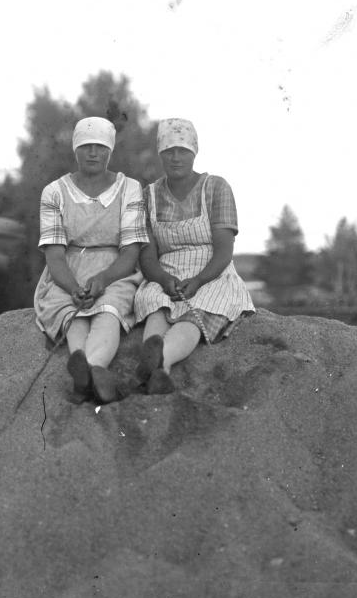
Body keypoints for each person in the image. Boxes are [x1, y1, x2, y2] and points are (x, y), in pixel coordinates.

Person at [133, 118, 255, 394]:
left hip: (212, 273)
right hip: (166, 272)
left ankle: (160, 363)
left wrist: (199, 280)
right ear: (161, 154)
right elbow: (147, 255)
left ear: (194, 152)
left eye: (183, 151)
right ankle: (153, 359)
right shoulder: (148, 196)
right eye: (169, 151)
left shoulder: (216, 188)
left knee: (195, 312)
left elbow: (224, 251)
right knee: (157, 305)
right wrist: (163, 279)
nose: (176, 157)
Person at [34, 116, 148, 404]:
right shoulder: (54, 192)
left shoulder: (129, 188)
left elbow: (131, 251)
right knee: (71, 311)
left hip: (116, 267)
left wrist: (104, 278)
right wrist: (73, 287)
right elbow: (54, 255)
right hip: (68, 268)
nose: (93, 153)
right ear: (76, 150)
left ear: (110, 150)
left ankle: (93, 366)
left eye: (100, 147)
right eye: (86, 146)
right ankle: (83, 366)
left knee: (110, 309)